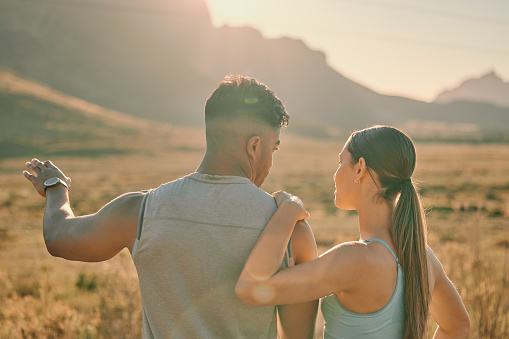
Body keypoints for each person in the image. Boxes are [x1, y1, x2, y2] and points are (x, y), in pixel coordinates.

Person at [23, 75, 318, 339]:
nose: (270, 162)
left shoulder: (141, 210)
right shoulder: (292, 232)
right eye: (273, 148)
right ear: (254, 146)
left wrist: (55, 188)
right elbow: (297, 336)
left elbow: (59, 237)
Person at [236, 125, 470, 338]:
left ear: (360, 168)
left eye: (340, 162)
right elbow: (458, 326)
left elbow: (250, 288)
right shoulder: (422, 256)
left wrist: (289, 209)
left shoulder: (355, 259)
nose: (335, 174)